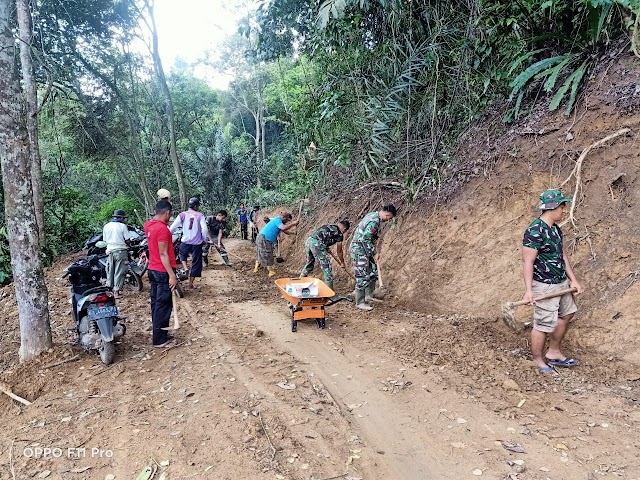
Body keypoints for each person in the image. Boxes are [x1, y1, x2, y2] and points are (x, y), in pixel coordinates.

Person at [522, 189, 584, 373]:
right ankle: (538, 359)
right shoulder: (534, 231)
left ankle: (554, 352)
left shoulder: (556, 229)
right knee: (542, 324)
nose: (564, 211)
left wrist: (573, 280)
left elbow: (562, 255)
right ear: (552, 207)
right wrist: (529, 290)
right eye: (562, 207)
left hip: (560, 282)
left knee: (567, 314)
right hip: (544, 285)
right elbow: (528, 261)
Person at [144, 200, 178, 348]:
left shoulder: (148, 225)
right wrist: (172, 275)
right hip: (162, 271)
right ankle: (160, 340)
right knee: (163, 306)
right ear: (167, 213)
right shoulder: (163, 230)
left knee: (156, 305)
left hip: (152, 269)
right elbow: (164, 254)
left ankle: (160, 333)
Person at [350, 204, 397, 311]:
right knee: (362, 276)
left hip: (365, 250)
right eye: (389, 218)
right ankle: (360, 302)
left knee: (372, 272)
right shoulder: (374, 221)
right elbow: (365, 239)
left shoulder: (373, 215)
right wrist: (374, 252)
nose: (388, 220)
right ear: (387, 214)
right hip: (359, 250)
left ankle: (368, 295)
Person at [300, 221, 350, 293]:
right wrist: (342, 263)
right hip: (317, 244)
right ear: (344, 229)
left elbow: (322, 236)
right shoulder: (339, 234)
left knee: (310, 263)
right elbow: (339, 251)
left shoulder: (329, 226)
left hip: (309, 241)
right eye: (345, 231)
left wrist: (325, 246)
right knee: (327, 268)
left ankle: (300, 281)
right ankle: (329, 292)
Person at [170, 197, 209, 289]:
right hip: (197, 243)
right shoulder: (200, 215)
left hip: (185, 241)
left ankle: (185, 267)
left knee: (182, 255)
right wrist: (204, 239)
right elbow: (204, 229)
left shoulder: (182, 215)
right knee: (196, 263)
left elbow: (172, 228)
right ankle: (191, 283)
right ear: (196, 206)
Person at [255, 212, 299, 277]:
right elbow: (283, 228)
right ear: (284, 217)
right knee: (268, 254)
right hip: (264, 238)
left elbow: (285, 231)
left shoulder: (278, 220)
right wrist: (293, 224)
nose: (287, 222)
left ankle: (256, 267)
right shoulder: (277, 220)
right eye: (287, 220)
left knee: (261, 252)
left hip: (262, 237)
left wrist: (293, 233)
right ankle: (271, 271)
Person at [102, 209, 132, 299]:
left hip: (110, 251)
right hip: (120, 251)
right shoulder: (122, 226)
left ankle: (109, 289)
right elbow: (127, 240)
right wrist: (129, 245)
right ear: (121, 217)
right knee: (120, 271)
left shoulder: (106, 226)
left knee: (110, 271)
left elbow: (105, 240)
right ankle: (117, 291)